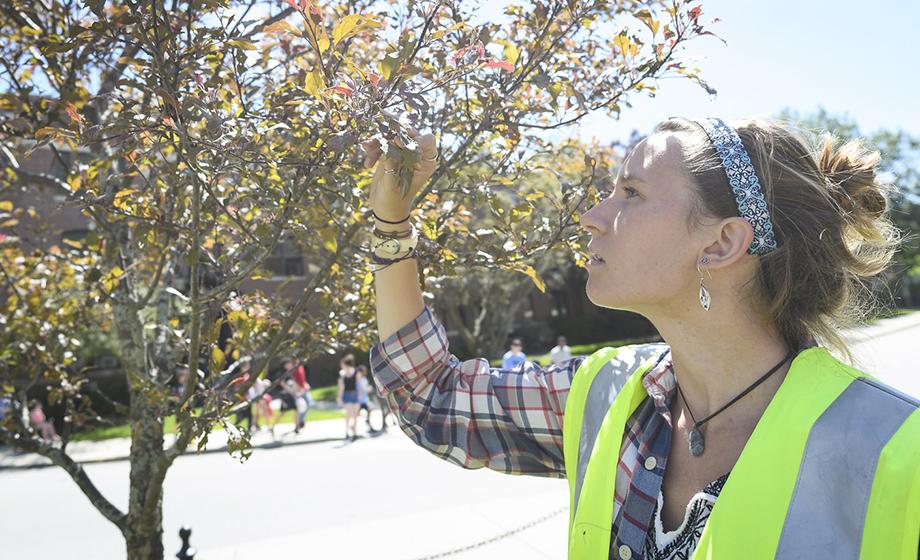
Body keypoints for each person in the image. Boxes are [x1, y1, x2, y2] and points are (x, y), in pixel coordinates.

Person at [363, 119, 919, 559]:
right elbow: (429, 394)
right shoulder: (605, 398)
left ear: (721, 244)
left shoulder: (895, 451)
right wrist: (391, 226)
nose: (591, 218)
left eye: (630, 192)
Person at [337, 354, 360, 440]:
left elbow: (358, 385)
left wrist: (359, 395)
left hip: (354, 394)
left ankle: (354, 432)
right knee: (349, 413)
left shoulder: (355, 372)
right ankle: (347, 431)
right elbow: (341, 387)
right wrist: (339, 398)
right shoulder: (342, 374)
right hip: (347, 395)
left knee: (355, 414)